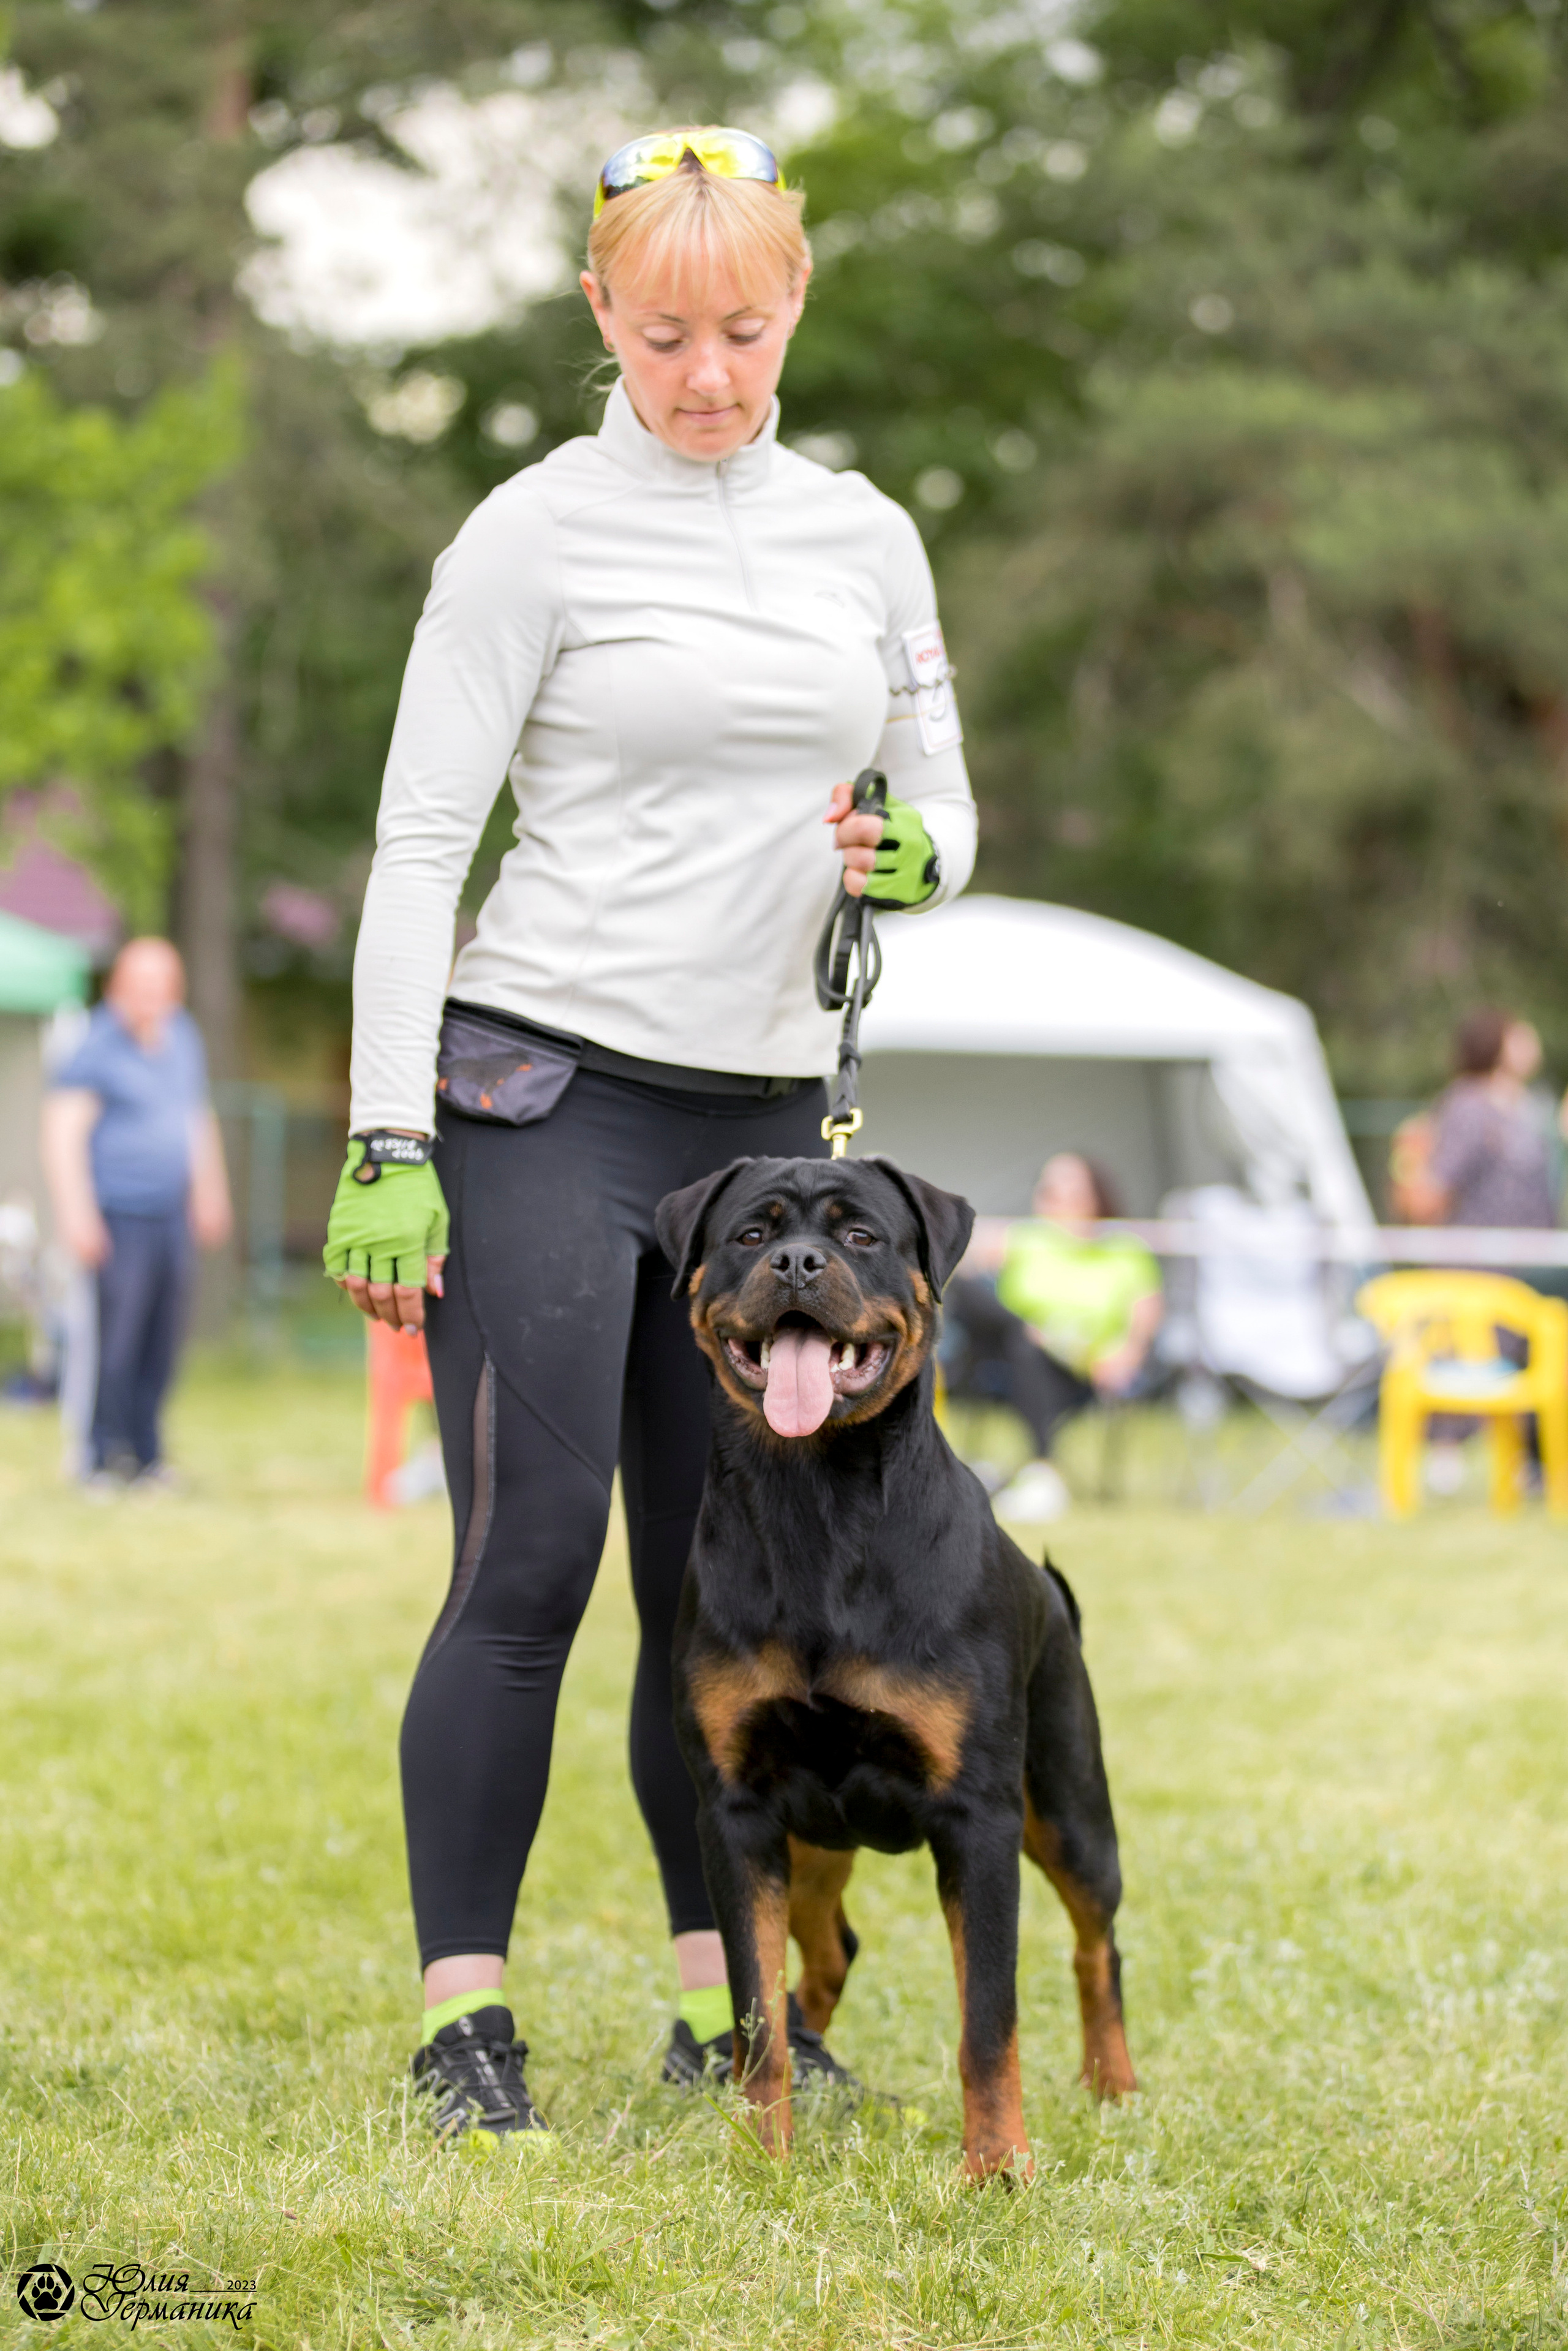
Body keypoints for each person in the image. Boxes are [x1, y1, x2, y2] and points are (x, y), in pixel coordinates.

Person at [322, 127, 976, 2140]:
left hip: (766, 1121)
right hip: (540, 1090)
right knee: (530, 1555)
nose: (709, 371)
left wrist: (918, 850)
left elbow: (946, 807)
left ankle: (724, 2000)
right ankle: (467, 2014)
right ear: (601, 312)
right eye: (668, 330)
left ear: (796, 312)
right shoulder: (526, 535)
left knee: (723, 1593)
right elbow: (424, 840)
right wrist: (381, 1128)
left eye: (747, 330)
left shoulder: (866, 530)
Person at [41, 937, 232, 1490]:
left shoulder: (182, 1036)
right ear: (118, 986)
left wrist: (209, 1191)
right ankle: (100, 1457)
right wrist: (77, 1215)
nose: (151, 995)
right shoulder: (96, 1044)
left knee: (161, 1337)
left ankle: (147, 1456)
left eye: (162, 984)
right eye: (140, 983)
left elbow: (196, 1116)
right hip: (116, 1214)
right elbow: (62, 1133)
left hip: (169, 1212)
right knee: (113, 1341)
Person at [945, 1153, 1162, 1523]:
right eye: (1048, 1189)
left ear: (1095, 1196)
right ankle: (1039, 1472)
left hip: (1084, 1367)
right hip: (1011, 1358)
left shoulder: (1123, 1247)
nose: (1053, 1198)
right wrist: (980, 1257)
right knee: (987, 1310)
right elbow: (966, 1282)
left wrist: (1128, 1354)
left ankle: (1040, 1472)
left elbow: (1147, 1312)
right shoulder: (1023, 1237)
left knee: (1025, 1343)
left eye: (1067, 1190)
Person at [1401, 1008, 1556, 1493]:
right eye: (1519, 1033)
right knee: (1470, 1361)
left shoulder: (1529, 1106)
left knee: (1537, 1361)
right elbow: (1432, 1191)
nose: (1531, 1040)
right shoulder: (1468, 1106)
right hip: (1478, 1265)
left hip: (1533, 1265)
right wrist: (1408, 1162)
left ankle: (1534, 1467)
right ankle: (1445, 1461)